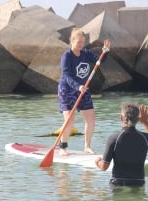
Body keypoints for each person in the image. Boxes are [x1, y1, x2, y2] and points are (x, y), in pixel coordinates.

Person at [58, 28, 111, 156]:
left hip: (83, 89)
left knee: (91, 118)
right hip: (67, 90)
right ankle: (62, 148)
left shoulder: (85, 53)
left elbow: (100, 61)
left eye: (83, 42)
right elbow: (66, 76)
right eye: (78, 42)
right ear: (72, 41)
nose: (81, 45)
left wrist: (105, 52)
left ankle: (87, 147)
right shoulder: (67, 56)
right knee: (70, 120)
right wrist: (78, 86)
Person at [95, 102, 148, 188]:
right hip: (138, 183)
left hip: (118, 183)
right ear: (138, 119)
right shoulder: (144, 138)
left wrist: (97, 161)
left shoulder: (114, 138)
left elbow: (104, 167)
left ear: (121, 117)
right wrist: (145, 122)